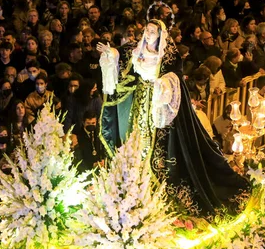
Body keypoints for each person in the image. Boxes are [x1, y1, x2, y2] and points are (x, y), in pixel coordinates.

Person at [98, 18, 248, 216]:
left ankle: (156, 195)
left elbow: (175, 78)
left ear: (160, 35)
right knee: (136, 146)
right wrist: (112, 54)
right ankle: (136, 189)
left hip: (159, 109)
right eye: (147, 30)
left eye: (153, 31)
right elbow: (122, 61)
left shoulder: (168, 56)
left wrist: (163, 84)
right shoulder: (136, 51)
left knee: (158, 153)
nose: (149, 33)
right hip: (139, 106)